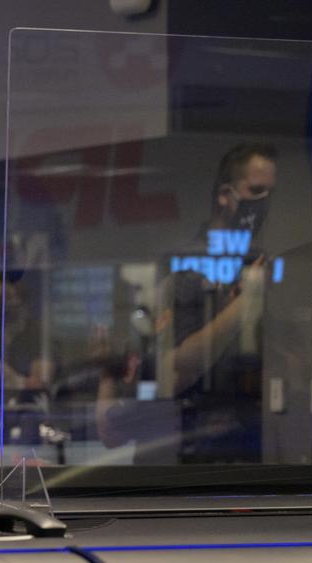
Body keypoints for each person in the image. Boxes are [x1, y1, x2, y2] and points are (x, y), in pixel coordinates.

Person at [98, 143, 277, 463]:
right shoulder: (184, 265)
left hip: (239, 456)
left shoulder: (256, 265)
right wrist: (246, 303)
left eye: (270, 193)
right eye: (255, 190)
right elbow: (174, 370)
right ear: (225, 195)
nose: (264, 202)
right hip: (178, 460)